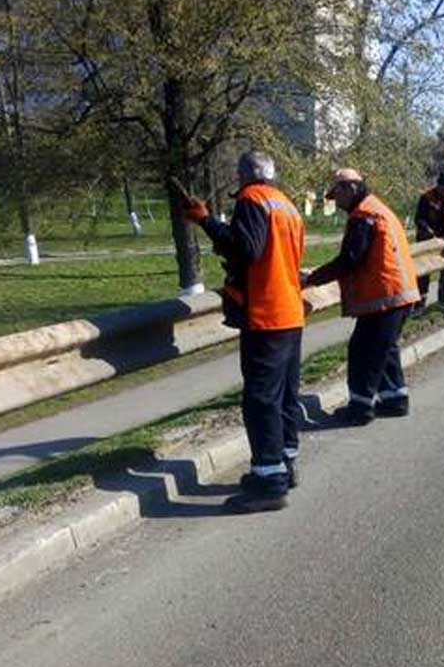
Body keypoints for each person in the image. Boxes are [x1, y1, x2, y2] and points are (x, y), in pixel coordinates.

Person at [179, 151, 304, 514]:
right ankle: (284, 464)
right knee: (283, 396)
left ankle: (269, 482)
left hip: (265, 313)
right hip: (290, 311)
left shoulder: (252, 200)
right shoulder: (286, 204)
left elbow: (245, 248)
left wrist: (206, 221)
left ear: (244, 174)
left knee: (261, 399)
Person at [304, 169, 420, 426]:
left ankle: (360, 408)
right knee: (384, 349)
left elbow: (349, 260)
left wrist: (311, 279)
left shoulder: (364, 216)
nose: (337, 202)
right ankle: (395, 399)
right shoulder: (378, 209)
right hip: (399, 293)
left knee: (363, 353)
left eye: (338, 195)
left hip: (383, 296)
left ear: (351, 187)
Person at [413, 171, 444, 309]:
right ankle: (420, 303)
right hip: (427, 239)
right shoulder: (427, 197)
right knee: (423, 272)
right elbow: (419, 218)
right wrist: (426, 229)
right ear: (438, 186)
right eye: (443, 188)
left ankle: (443, 301)